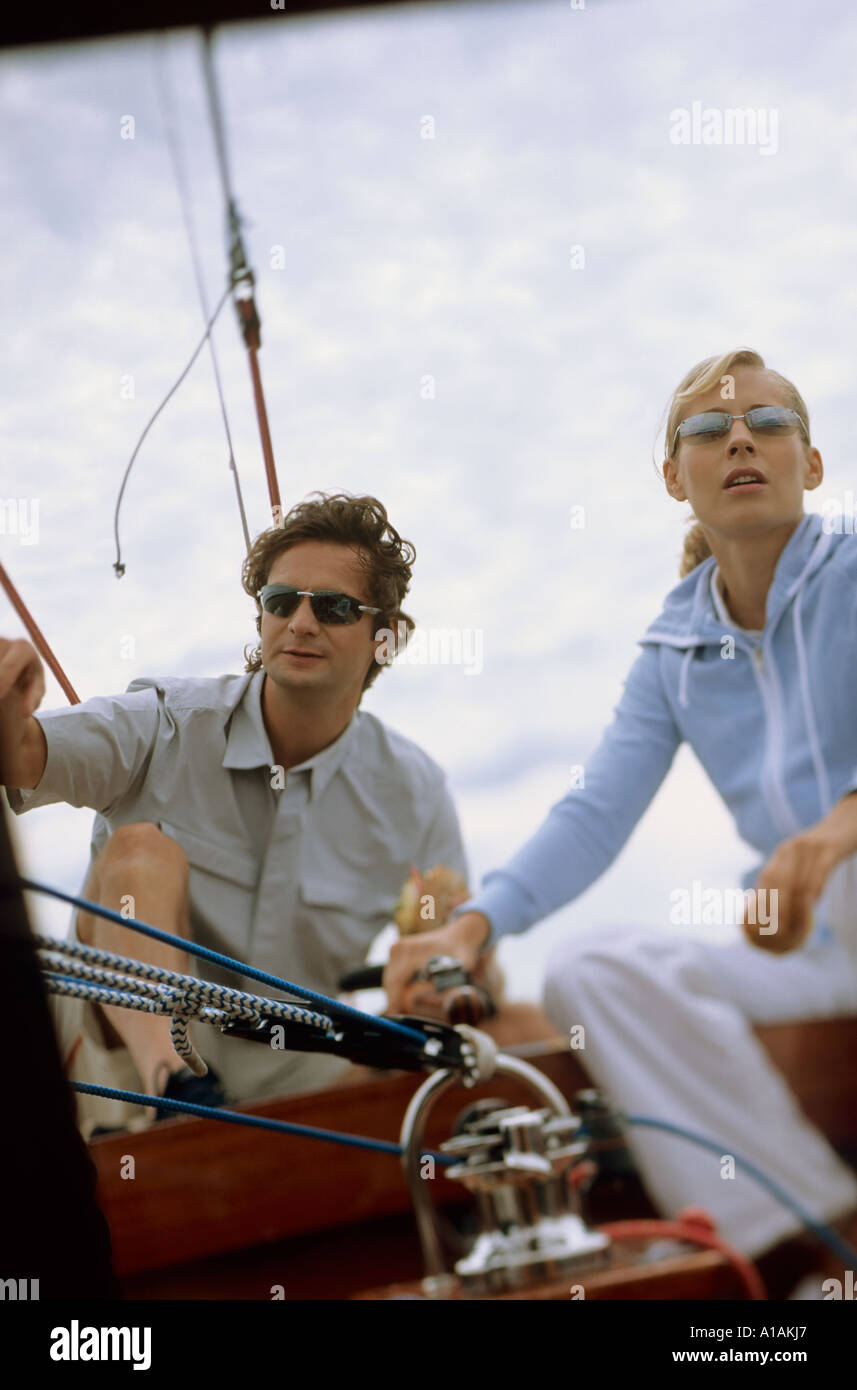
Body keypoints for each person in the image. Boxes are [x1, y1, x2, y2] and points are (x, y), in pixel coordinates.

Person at [382, 348, 857, 1292]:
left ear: (807, 463)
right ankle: (819, 1237)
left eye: (767, 424)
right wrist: (471, 926)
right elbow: (595, 812)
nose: (737, 440)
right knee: (590, 971)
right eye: (704, 432)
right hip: (811, 957)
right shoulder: (672, 651)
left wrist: (835, 830)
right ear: (674, 478)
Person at [0, 492, 471, 1137]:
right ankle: (178, 1089)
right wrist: (6, 700)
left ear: (385, 640)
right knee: (139, 850)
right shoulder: (165, 723)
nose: (300, 621)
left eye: (333, 608)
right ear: (261, 621)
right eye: (281, 602)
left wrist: (432, 989)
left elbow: (451, 945)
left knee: (517, 1038)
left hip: (306, 1082)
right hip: (115, 1084)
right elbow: (21, 753)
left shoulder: (416, 791)